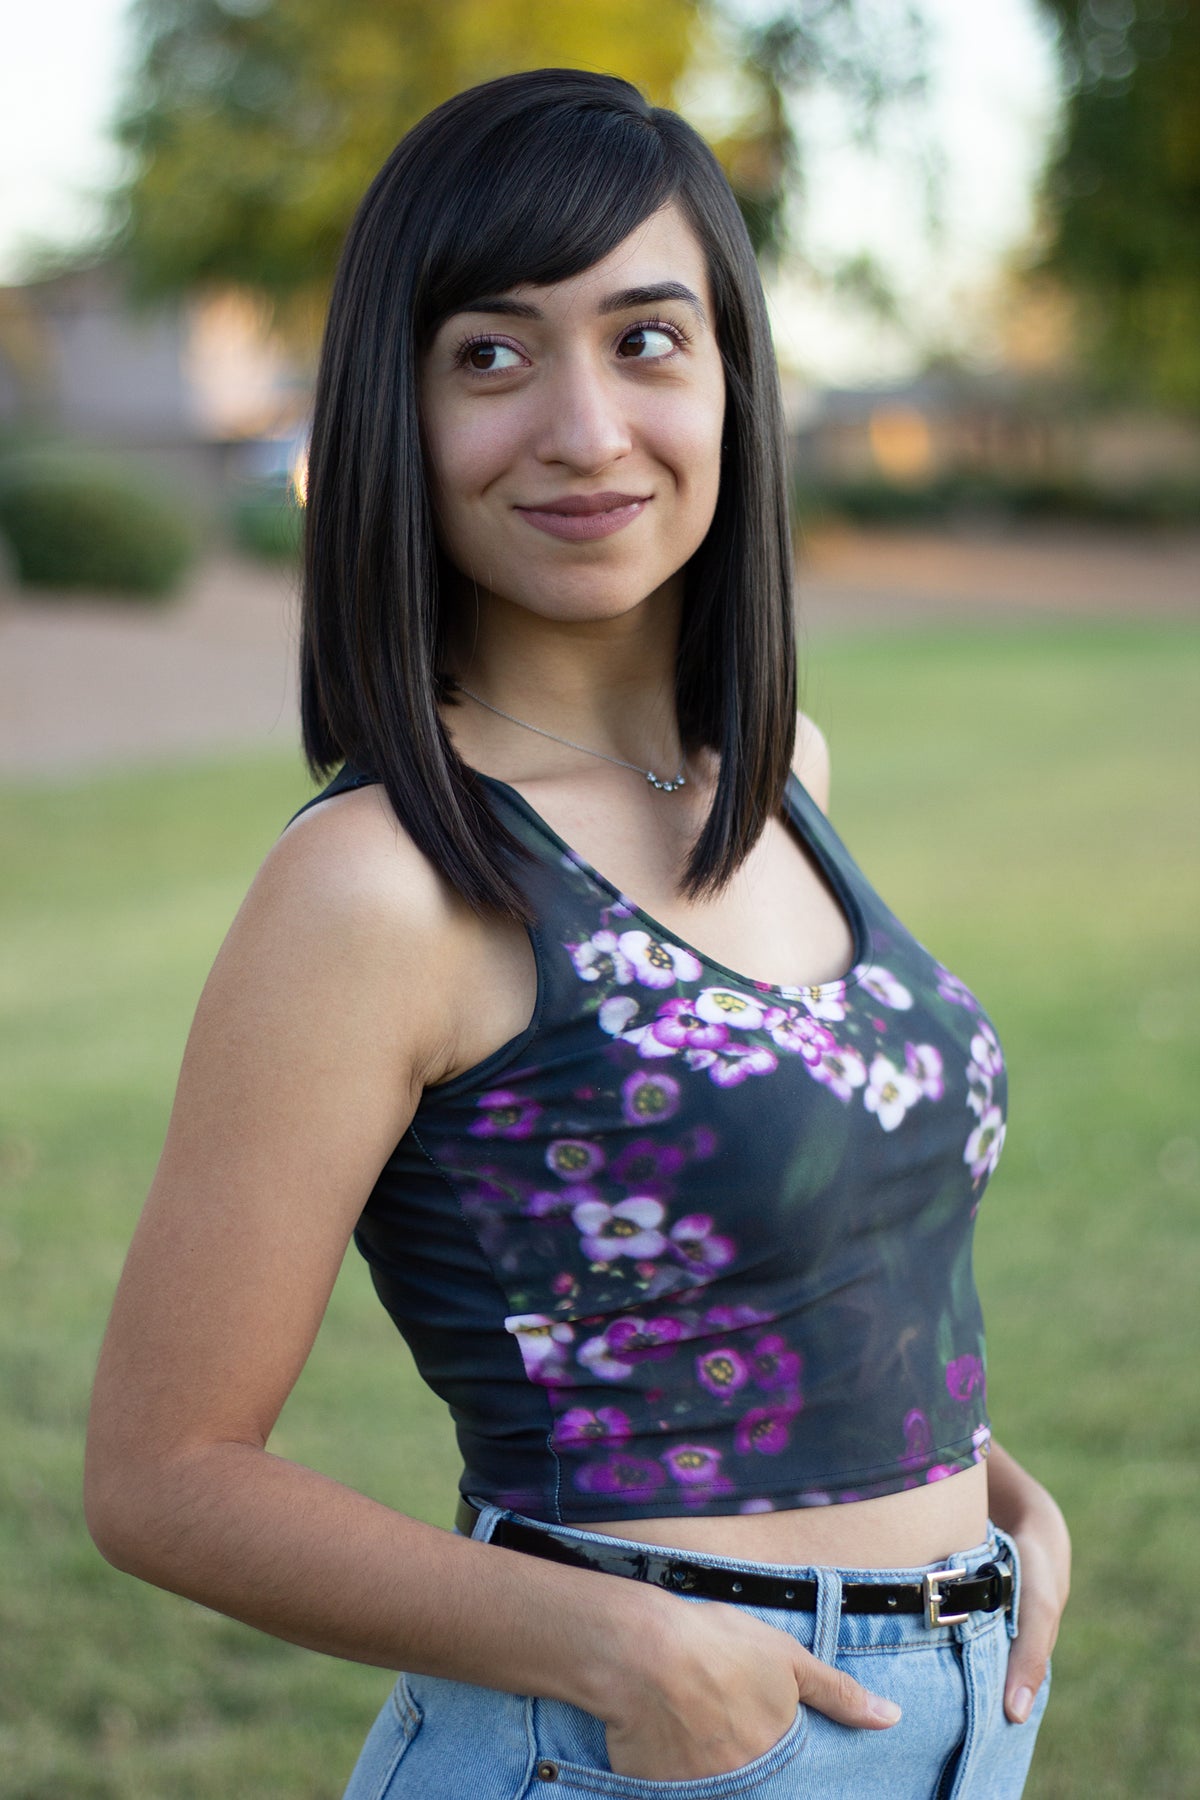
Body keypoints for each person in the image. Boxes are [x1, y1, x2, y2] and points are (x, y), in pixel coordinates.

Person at [84, 68, 1070, 1798]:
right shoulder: (387, 879)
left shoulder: (782, 777)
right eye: (491, 353)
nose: (586, 428)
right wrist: (626, 1646)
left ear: (733, 381)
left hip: (960, 1712)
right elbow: (165, 1472)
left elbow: (817, 1235)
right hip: (641, 1745)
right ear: (398, 409)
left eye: (647, 339)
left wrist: (994, 1490)